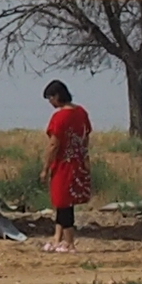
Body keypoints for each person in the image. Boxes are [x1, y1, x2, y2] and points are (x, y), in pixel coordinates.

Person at [41, 79, 94, 252]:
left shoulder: (59, 117)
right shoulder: (81, 112)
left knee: (63, 202)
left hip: (63, 163)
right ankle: (57, 238)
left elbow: (54, 144)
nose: (50, 103)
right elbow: (86, 136)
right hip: (77, 161)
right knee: (62, 200)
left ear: (56, 96)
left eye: (50, 98)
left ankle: (69, 241)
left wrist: (46, 168)